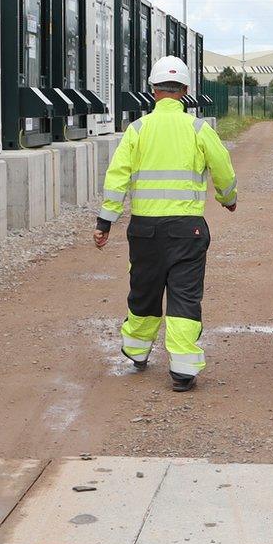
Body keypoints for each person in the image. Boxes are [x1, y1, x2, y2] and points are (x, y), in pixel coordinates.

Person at [94, 56, 238, 392]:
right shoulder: (199, 128)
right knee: (185, 295)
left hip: (145, 229)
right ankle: (183, 369)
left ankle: (137, 350)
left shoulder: (137, 129)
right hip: (187, 228)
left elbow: (118, 177)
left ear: (153, 90)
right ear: (185, 91)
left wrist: (106, 221)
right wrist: (227, 198)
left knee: (144, 289)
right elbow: (223, 168)